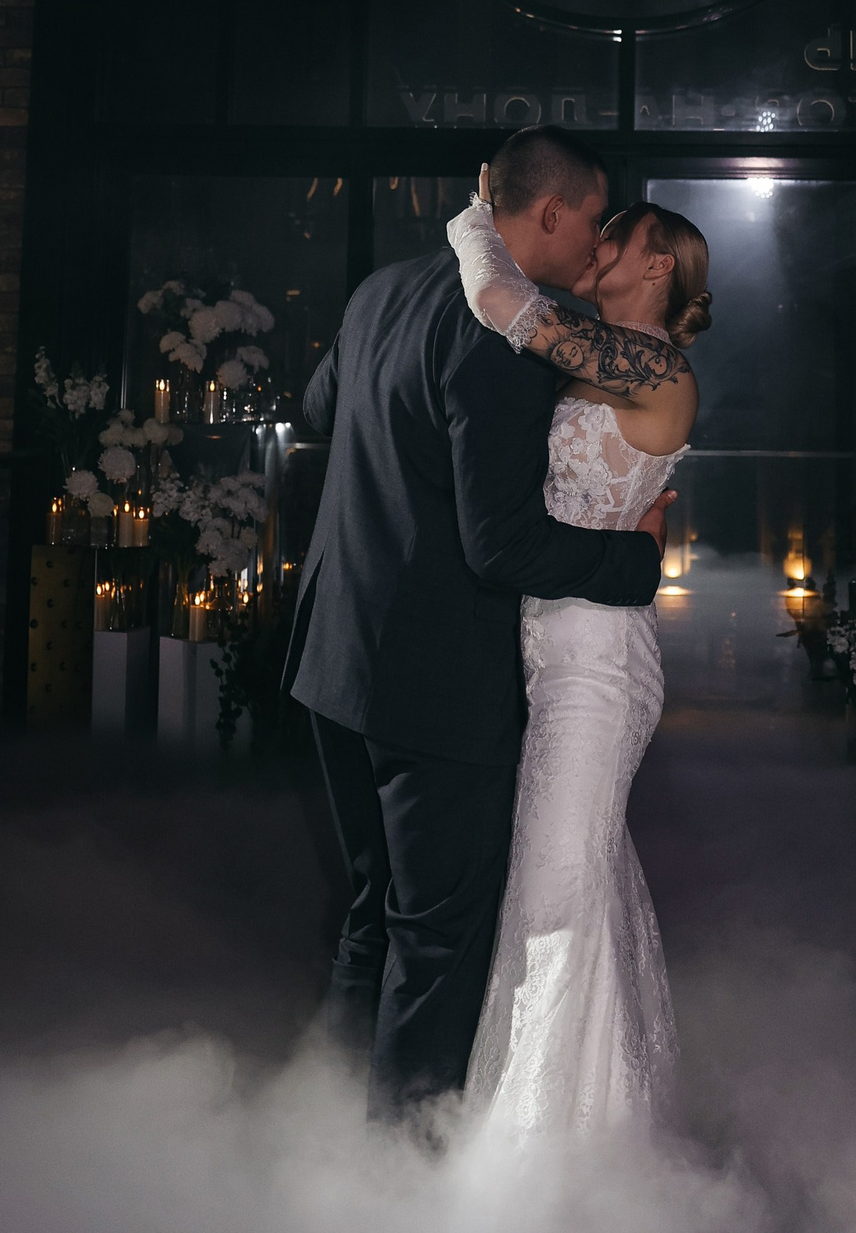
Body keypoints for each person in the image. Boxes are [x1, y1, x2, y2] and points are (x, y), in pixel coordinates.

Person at [285, 126, 680, 1122]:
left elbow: (321, 405)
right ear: (550, 211)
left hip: (332, 656)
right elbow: (500, 545)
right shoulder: (502, 336)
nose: (598, 240)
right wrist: (636, 561)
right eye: (593, 218)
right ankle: (401, 1172)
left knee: (373, 912)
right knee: (436, 935)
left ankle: (320, 1141)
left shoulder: (380, 291)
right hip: (430, 680)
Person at [446, 184, 710, 1134]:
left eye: (617, 235)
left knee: (553, 896)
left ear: (658, 263)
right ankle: (605, 1121)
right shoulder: (595, 358)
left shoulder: (659, 369)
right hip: (547, 647)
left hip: (598, 663)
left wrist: (475, 220)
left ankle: (547, 1155)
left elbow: (501, 301)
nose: (596, 245)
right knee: (575, 878)